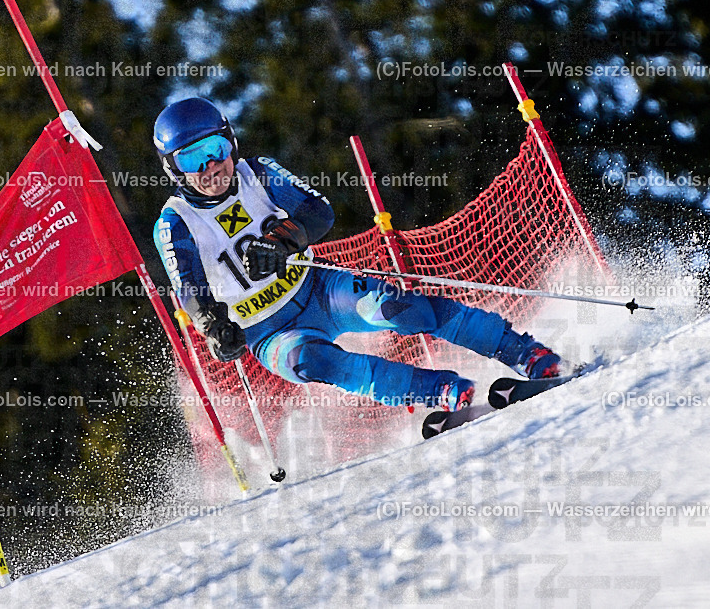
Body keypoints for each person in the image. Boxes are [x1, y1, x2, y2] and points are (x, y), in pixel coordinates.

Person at [152, 97, 562, 411]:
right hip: (267, 330)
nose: (211, 167)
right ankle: (438, 390)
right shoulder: (176, 222)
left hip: (317, 289)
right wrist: (214, 327)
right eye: (192, 158)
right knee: (310, 362)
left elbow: (318, 211)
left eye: (216, 149)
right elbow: (190, 288)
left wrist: (284, 241)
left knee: (398, 308)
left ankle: (523, 352)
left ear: (232, 143)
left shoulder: (256, 172)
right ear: (173, 168)